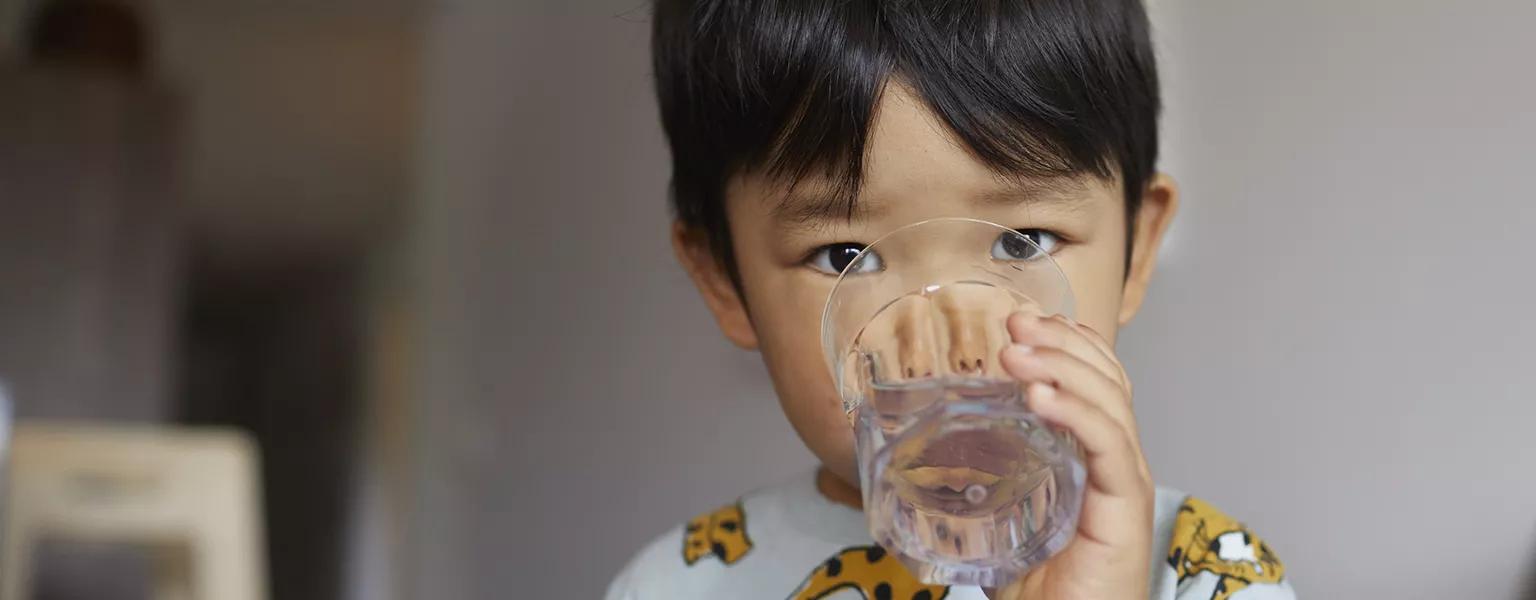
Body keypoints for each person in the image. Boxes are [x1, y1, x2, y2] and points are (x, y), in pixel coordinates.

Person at [608, 1, 1297, 599]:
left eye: (1023, 242)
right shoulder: (681, 583)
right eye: (846, 257)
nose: (950, 336)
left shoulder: (1208, 573)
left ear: (1135, 248)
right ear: (724, 280)